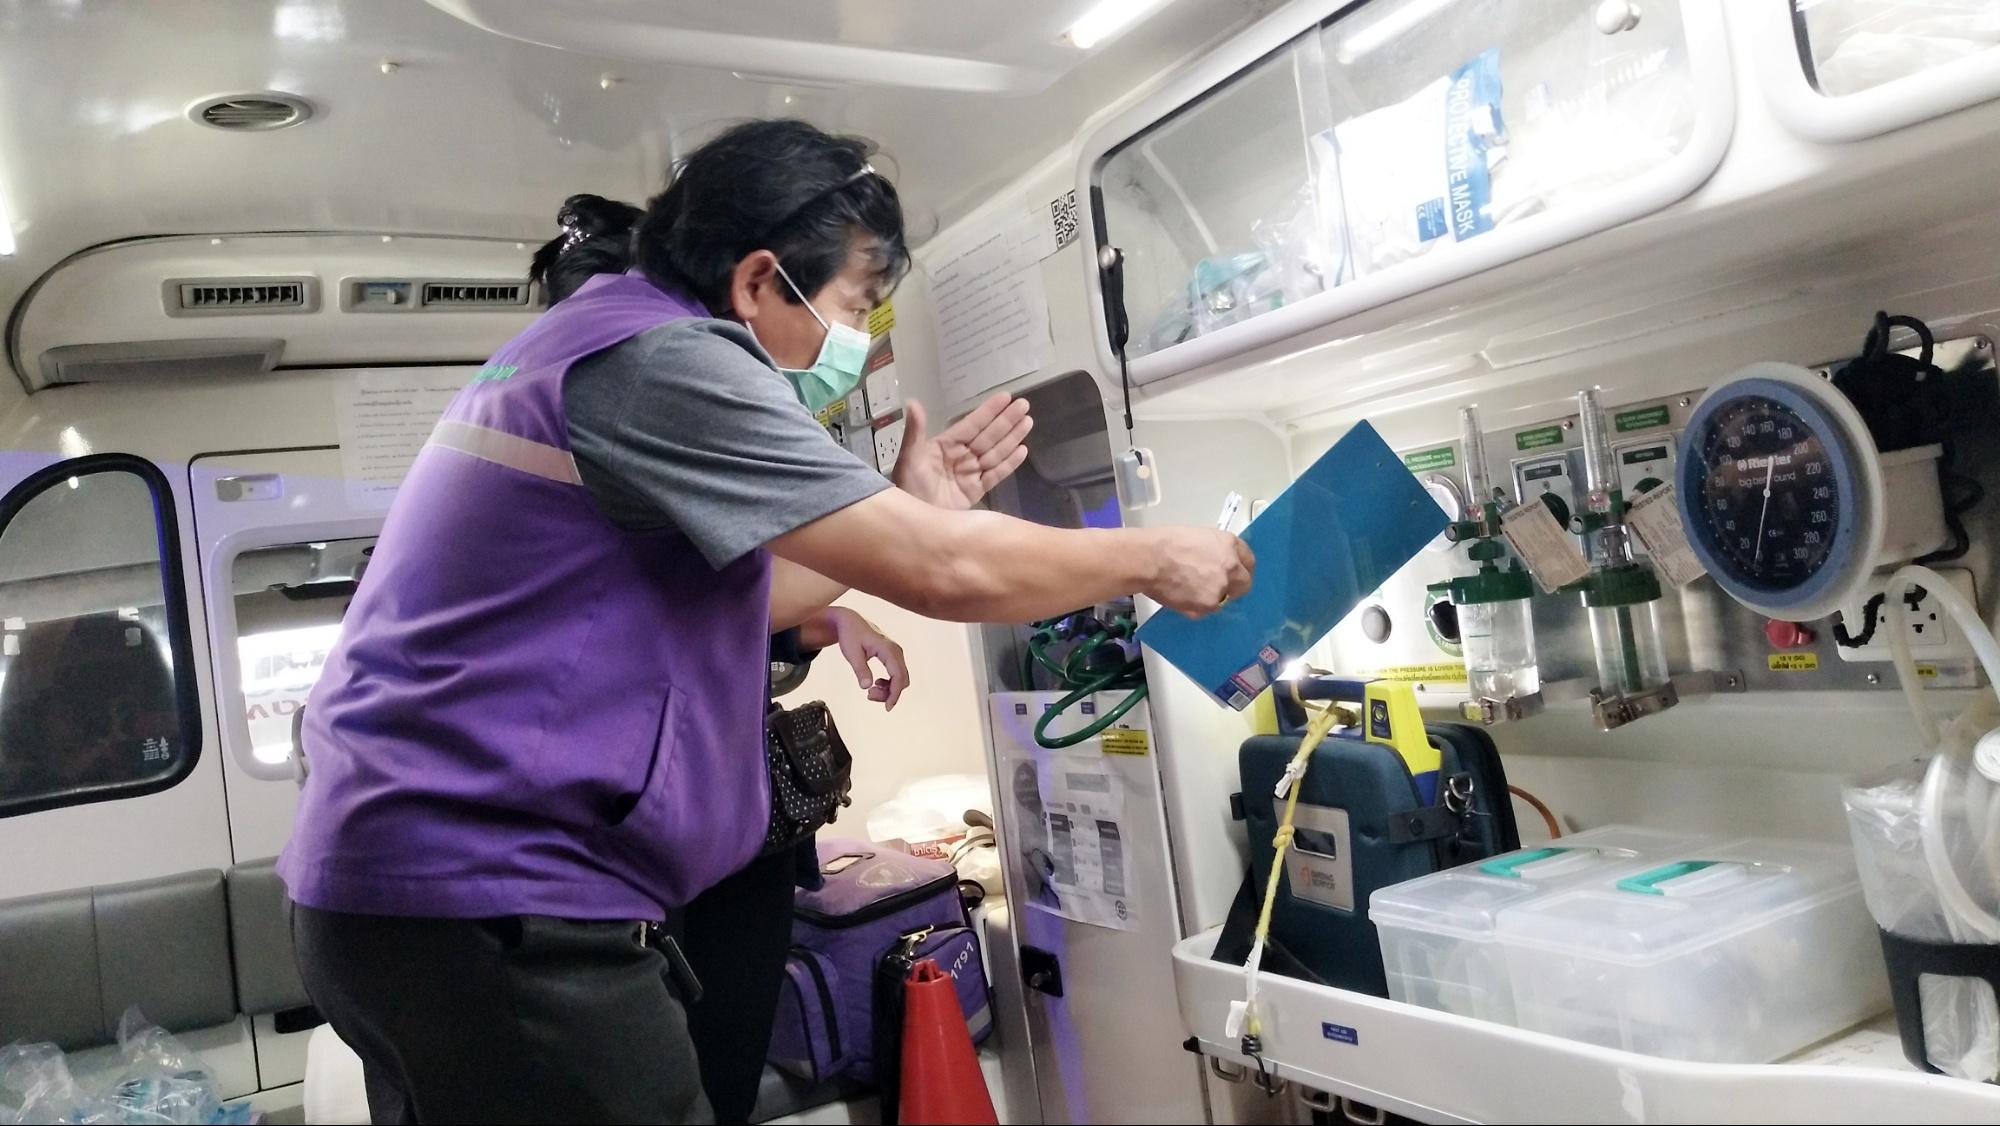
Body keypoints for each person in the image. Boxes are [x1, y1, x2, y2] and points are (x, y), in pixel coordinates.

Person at [279, 117, 1252, 1125]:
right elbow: (945, 570)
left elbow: (765, 593)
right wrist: (1154, 556)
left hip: (408, 893)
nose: (855, 342)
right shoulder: (661, 359)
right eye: (853, 307)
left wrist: (904, 511)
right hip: (491, 895)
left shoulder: (592, 342)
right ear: (757, 281)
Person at [537, 194, 908, 1124]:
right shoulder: (601, 416)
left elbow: (717, 599)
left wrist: (825, 621)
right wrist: (917, 517)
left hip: (718, 816)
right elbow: (670, 610)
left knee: (722, 1061)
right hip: (624, 824)